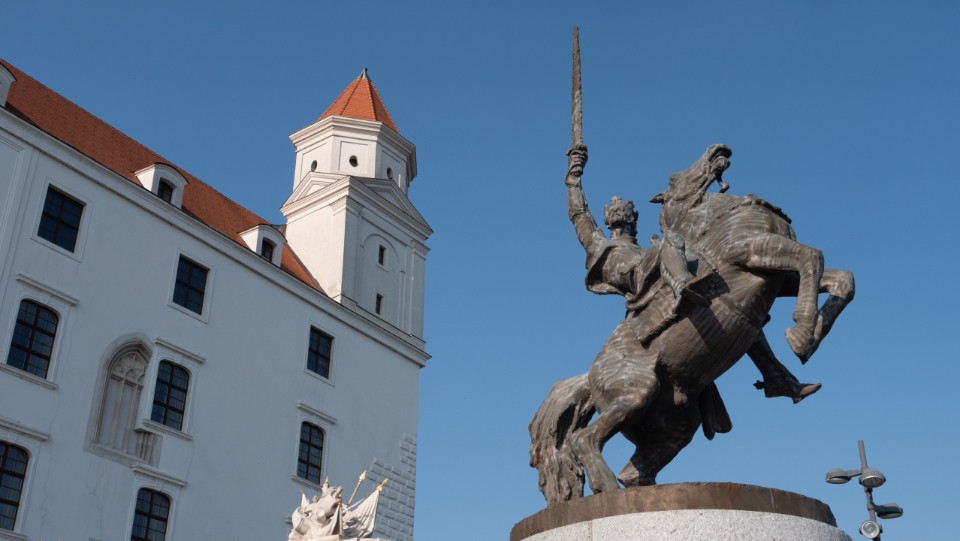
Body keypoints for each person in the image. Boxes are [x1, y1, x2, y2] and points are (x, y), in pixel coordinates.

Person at [565, 145, 818, 402]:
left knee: (736, 301)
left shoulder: (643, 248)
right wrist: (574, 176)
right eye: (614, 211)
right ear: (607, 220)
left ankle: (776, 375)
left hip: (656, 270)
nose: (619, 212)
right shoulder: (600, 245)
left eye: (625, 211)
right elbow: (579, 215)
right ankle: (683, 285)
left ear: (634, 217)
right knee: (672, 239)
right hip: (635, 277)